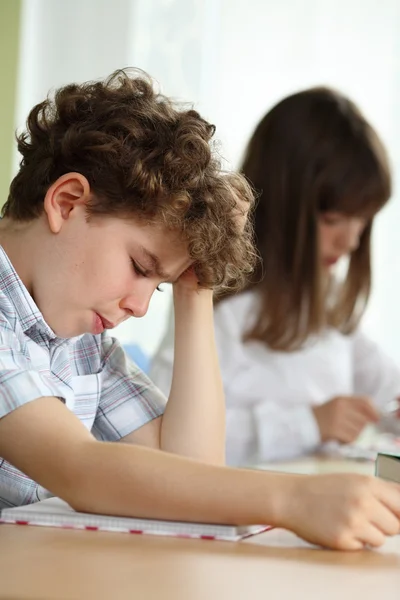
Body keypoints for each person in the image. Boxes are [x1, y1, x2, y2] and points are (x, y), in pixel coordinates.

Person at [0, 71, 399, 552]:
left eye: (161, 285)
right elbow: (80, 468)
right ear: (67, 202)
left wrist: (197, 286)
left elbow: (192, 465)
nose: (142, 307)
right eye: (139, 265)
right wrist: (292, 498)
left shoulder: (84, 346)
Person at [151, 86, 400, 466]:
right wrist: (308, 424)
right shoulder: (215, 299)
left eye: (362, 222)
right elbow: (166, 429)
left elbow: (386, 388)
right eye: (333, 220)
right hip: (242, 507)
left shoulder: (327, 301)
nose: (351, 241)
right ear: (283, 208)